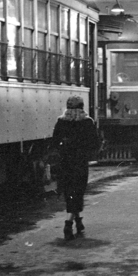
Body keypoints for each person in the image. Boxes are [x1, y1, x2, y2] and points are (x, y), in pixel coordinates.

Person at [51, 95, 100, 240]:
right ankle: (68, 223)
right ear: (82, 106)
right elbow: (94, 144)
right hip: (80, 162)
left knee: (69, 192)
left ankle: (78, 221)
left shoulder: (61, 121)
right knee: (78, 192)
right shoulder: (87, 122)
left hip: (64, 162)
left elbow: (54, 142)